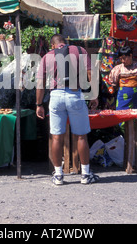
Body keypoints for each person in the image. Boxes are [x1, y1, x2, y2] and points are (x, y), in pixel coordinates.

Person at [36, 34, 99, 185]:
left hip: (56, 96)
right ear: (65, 42)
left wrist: (38, 104)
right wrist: (94, 94)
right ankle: (85, 174)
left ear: (53, 45)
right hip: (74, 95)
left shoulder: (47, 56)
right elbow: (91, 73)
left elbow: (40, 83)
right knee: (81, 136)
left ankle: (58, 175)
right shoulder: (79, 50)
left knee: (57, 137)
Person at [108, 46, 137, 110]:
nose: (122, 61)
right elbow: (113, 82)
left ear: (130, 56)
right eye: (120, 59)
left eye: (124, 58)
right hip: (123, 96)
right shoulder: (118, 69)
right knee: (121, 115)